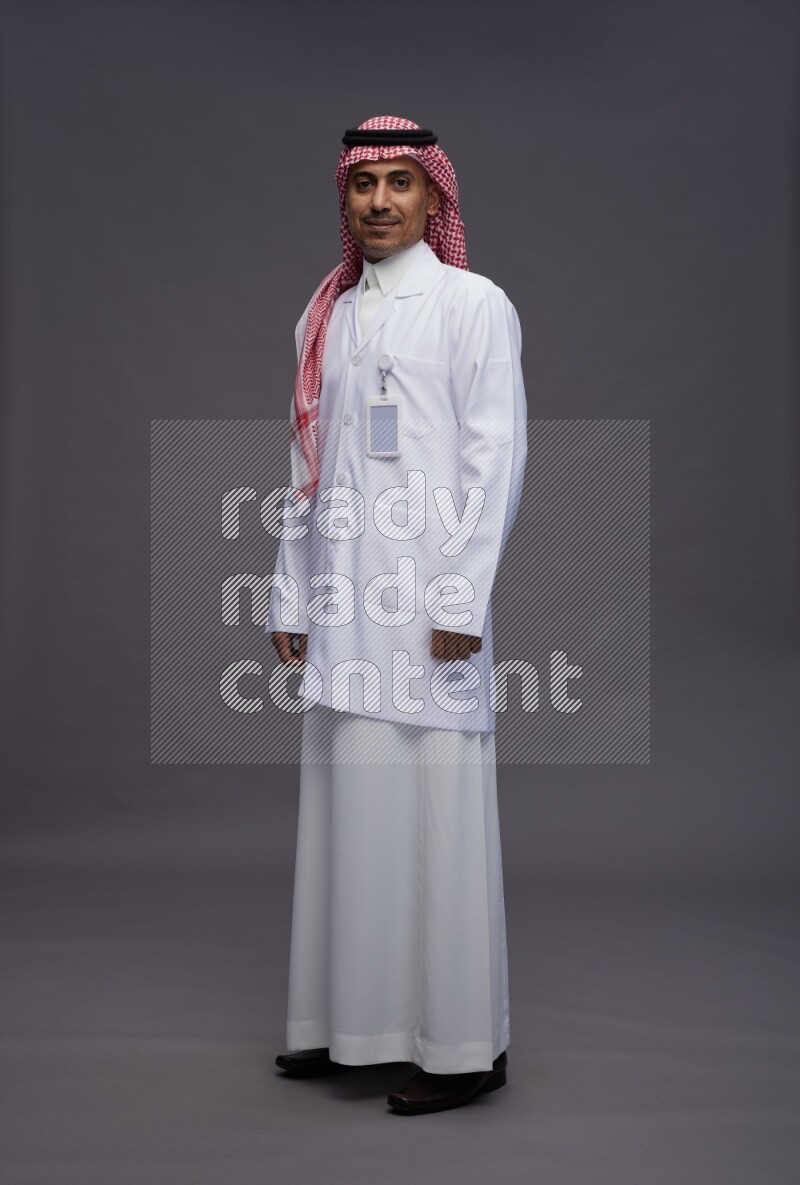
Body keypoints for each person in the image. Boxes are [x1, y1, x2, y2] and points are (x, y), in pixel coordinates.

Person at [267, 115, 528, 1115]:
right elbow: (306, 467)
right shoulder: (327, 314)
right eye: (362, 183)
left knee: (435, 817)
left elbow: (495, 458)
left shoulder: (471, 304)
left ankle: (460, 1047)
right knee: (351, 811)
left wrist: (461, 594)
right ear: (343, 196)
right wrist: (291, 590)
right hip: (345, 603)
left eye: (399, 182)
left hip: (427, 608)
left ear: (434, 197)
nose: (379, 201)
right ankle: (349, 1026)